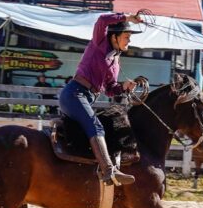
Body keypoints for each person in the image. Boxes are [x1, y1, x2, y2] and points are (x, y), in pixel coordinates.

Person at [58, 11, 144, 186]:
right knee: (96, 126)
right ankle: (108, 171)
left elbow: (110, 90)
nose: (129, 41)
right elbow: (102, 20)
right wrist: (128, 17)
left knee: (103, 125)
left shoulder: (115, 62)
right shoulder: (99, 43)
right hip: (74, 94)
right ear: (114, 37)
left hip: (84, 97)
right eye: (126, 37)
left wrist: (123, 87)